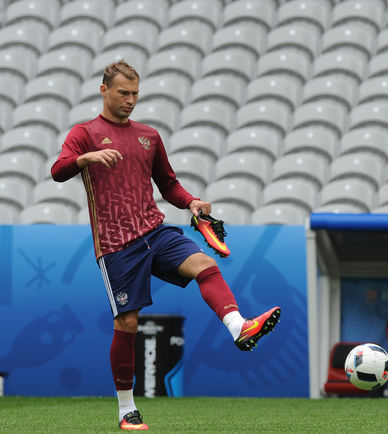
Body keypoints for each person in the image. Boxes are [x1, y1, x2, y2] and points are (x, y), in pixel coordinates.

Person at [51, 61, 281, 431]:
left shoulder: (149, 136)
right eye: (123, 93)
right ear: (104, 90)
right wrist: (84, 158)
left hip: (155, 231)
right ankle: (127, 410)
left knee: (205, 265)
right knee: (127, 323)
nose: (130, 100)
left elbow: (168, 184)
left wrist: (192, 202)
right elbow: (58, 170)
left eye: (135, 93)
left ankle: (238, 326)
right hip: (116, 244)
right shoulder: (85, 133)